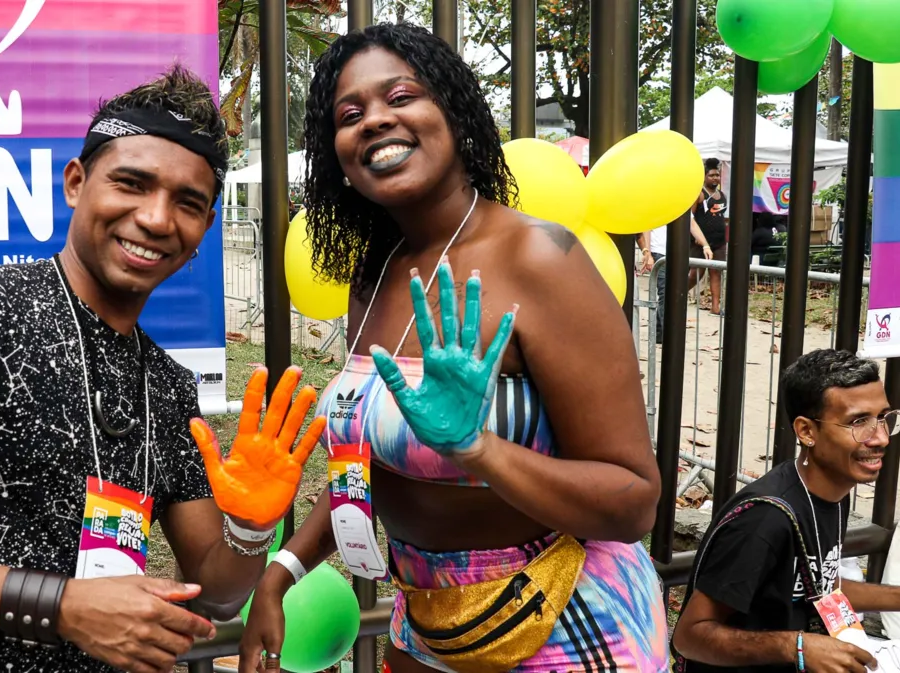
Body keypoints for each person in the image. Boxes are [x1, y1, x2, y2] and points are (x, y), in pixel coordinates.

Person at [0, 65, 326, 672]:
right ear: (77, 182)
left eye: (188, 203)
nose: (157, 219)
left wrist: (251, 527)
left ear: (206, 227)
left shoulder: (168, 385)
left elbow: (218, 593)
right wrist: (62, 606)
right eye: (132, 183)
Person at [239, 23, 669, 673]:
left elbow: (633, 500)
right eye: (350, 114)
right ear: (339, 160)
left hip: (568, 619)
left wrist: (479, 447)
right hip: (429, 621)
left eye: (402, 95)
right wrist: (284, 568)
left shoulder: (540, 259)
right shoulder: (374, 277)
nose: (376, 120)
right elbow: (371, 466)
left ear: (455, 116)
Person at [672, 349, 900, 673]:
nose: (880, 437)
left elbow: (817, 581)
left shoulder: (833, 491)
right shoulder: (764, 521)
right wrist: (797, 646)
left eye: (883, 417)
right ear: (807, 431)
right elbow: (689, 636)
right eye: (858, 422)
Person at [637, 214, 712, 344]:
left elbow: (692, 223)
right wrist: (647, 252)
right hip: (659, 251)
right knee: (665, 293)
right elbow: (647, 226)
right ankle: (668, 333)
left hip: (678, 252)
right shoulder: (657, 202)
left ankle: (660, 333)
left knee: (673, 293)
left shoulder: (682, 202)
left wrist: (705, 245)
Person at [688, 158, 727, 315]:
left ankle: (716, 307)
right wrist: (698, 237)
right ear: (704, 177)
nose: (715, 178)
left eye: (717, 175)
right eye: (711, 175)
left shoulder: (722, 195)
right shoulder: (699, 194)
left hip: (719, 241)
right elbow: (690, 217)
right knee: (696, 273)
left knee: (716, 272)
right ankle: (677, 295)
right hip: (700, 242)